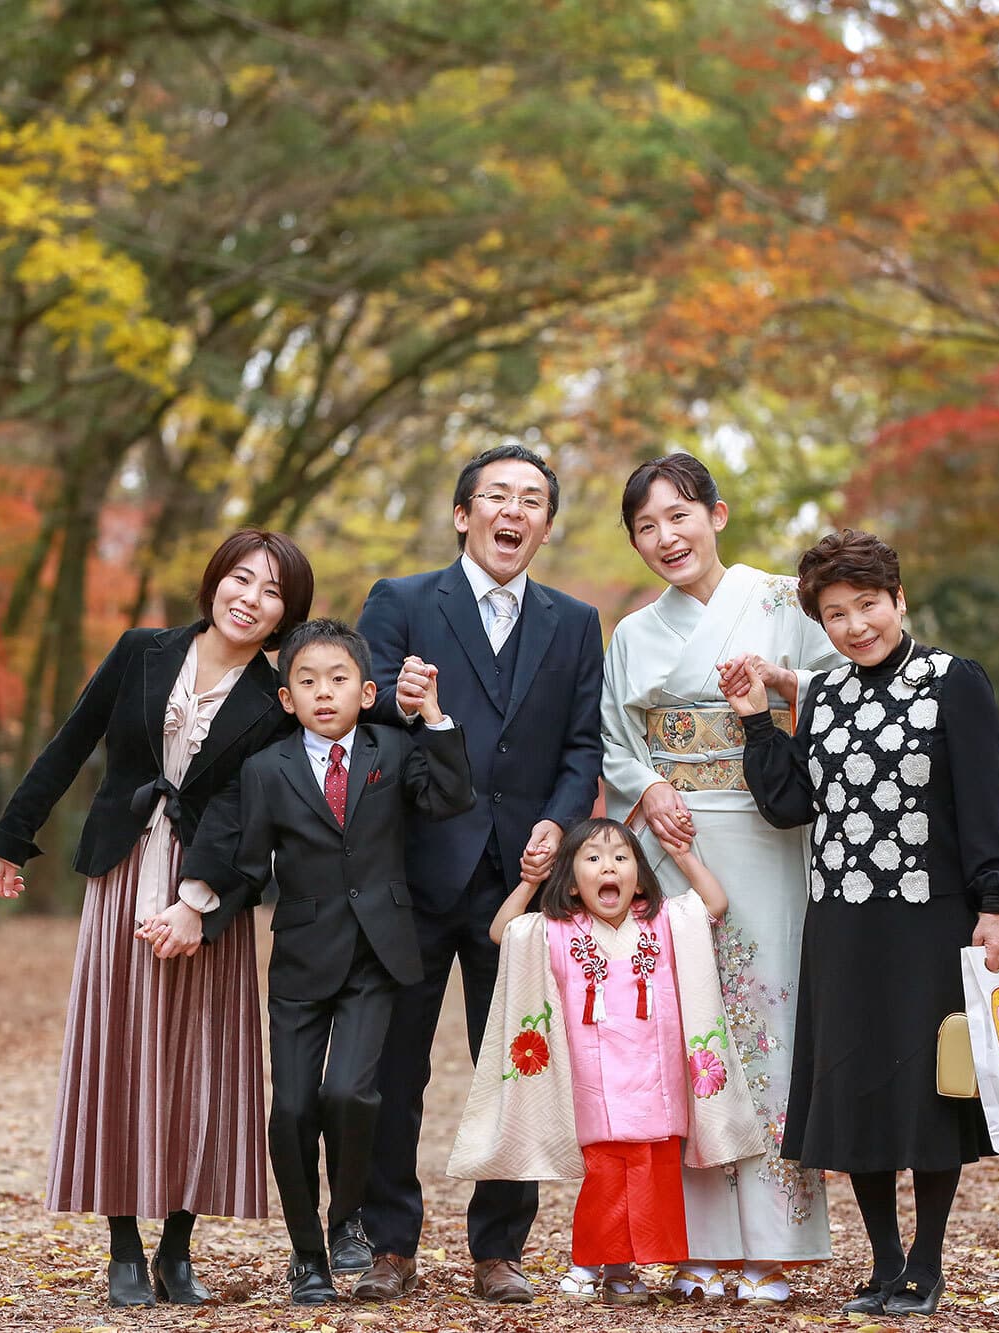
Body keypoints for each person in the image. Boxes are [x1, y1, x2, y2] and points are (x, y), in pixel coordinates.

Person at [0, 529, 314, 1308]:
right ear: (213, 581)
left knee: (199, 1061)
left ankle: (177, 1246)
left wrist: (203, 905)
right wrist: (11, 837)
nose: (250, 598)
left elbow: (251, 817)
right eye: (241, 578)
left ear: (285, 616)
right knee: (122, 1051)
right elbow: (73, 743)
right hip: (124, 869)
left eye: (271, 592)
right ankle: (124, 1245)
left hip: (212, 891)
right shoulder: (141, 650)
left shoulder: (277, 700)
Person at [727, 528, 999, 1319]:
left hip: (930, 918)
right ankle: (885, 1261)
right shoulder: (821, 695)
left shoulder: (952, 681)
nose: (857, 625)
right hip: (842, 923)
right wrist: (758, 721)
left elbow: (982, 800)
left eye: (868, 605)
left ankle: (927, 1262)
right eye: (836, 614)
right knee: (853, 1089)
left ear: (898, 598)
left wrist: (994, 905)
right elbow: (790, 805)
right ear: (820, 624)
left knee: (929, 1095)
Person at [349, 444, 605, 1304]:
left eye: (532, 499)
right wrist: (392, 692)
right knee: (395, 1068)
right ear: (464, 514)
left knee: (518, 1063)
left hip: (521, 881)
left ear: (544, 525)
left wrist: (558, 828)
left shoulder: (573, 622)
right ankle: (390, 1243)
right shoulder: (404, 600)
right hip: (413, 874)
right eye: (497, 495)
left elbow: (581, 746)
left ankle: (500, 1249)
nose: (514, 510)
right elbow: (357, 699)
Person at [597, 453, 845, 1304]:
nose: (666, 537)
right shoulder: (631, 634)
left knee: (766, 1032)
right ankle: (696, 1244)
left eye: (679, 515)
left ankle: (773, 1247)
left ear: (718, 513)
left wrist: (782, 687)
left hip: (769, 838)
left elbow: (845, 688)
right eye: (646, 526)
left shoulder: (783, 601)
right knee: (688, 1039)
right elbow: (614, 744)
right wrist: (650, 785)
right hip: (674, 845)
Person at [204, 619, 474, 1304]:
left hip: (377, 956)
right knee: (292, 1107)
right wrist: (196, 909)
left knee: (351, 1093)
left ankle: (347, 1213)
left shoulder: (393, 746)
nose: (324, 692)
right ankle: (307, 1254)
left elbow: (449, 797)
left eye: (339, 678)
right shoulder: (267, 769)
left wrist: (435, 717)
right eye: (307, 681)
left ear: (367, 689)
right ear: (288, 699)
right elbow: (245, 864)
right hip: (300, 957)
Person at [456, 818, 767, 1305]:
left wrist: (682, 854)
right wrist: (531, 882)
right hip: (593, 1085)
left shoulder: (660, 922)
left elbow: (714, 904)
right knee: (605, 1179)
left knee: (650, 1179)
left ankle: (624, 1272)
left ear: (639, 879)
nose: (610, 867)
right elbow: (503, 932)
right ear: (573, 883)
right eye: (594, 859)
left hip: (656, 1082)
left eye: (622, 858)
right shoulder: (558, 929)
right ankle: (590, 1260)